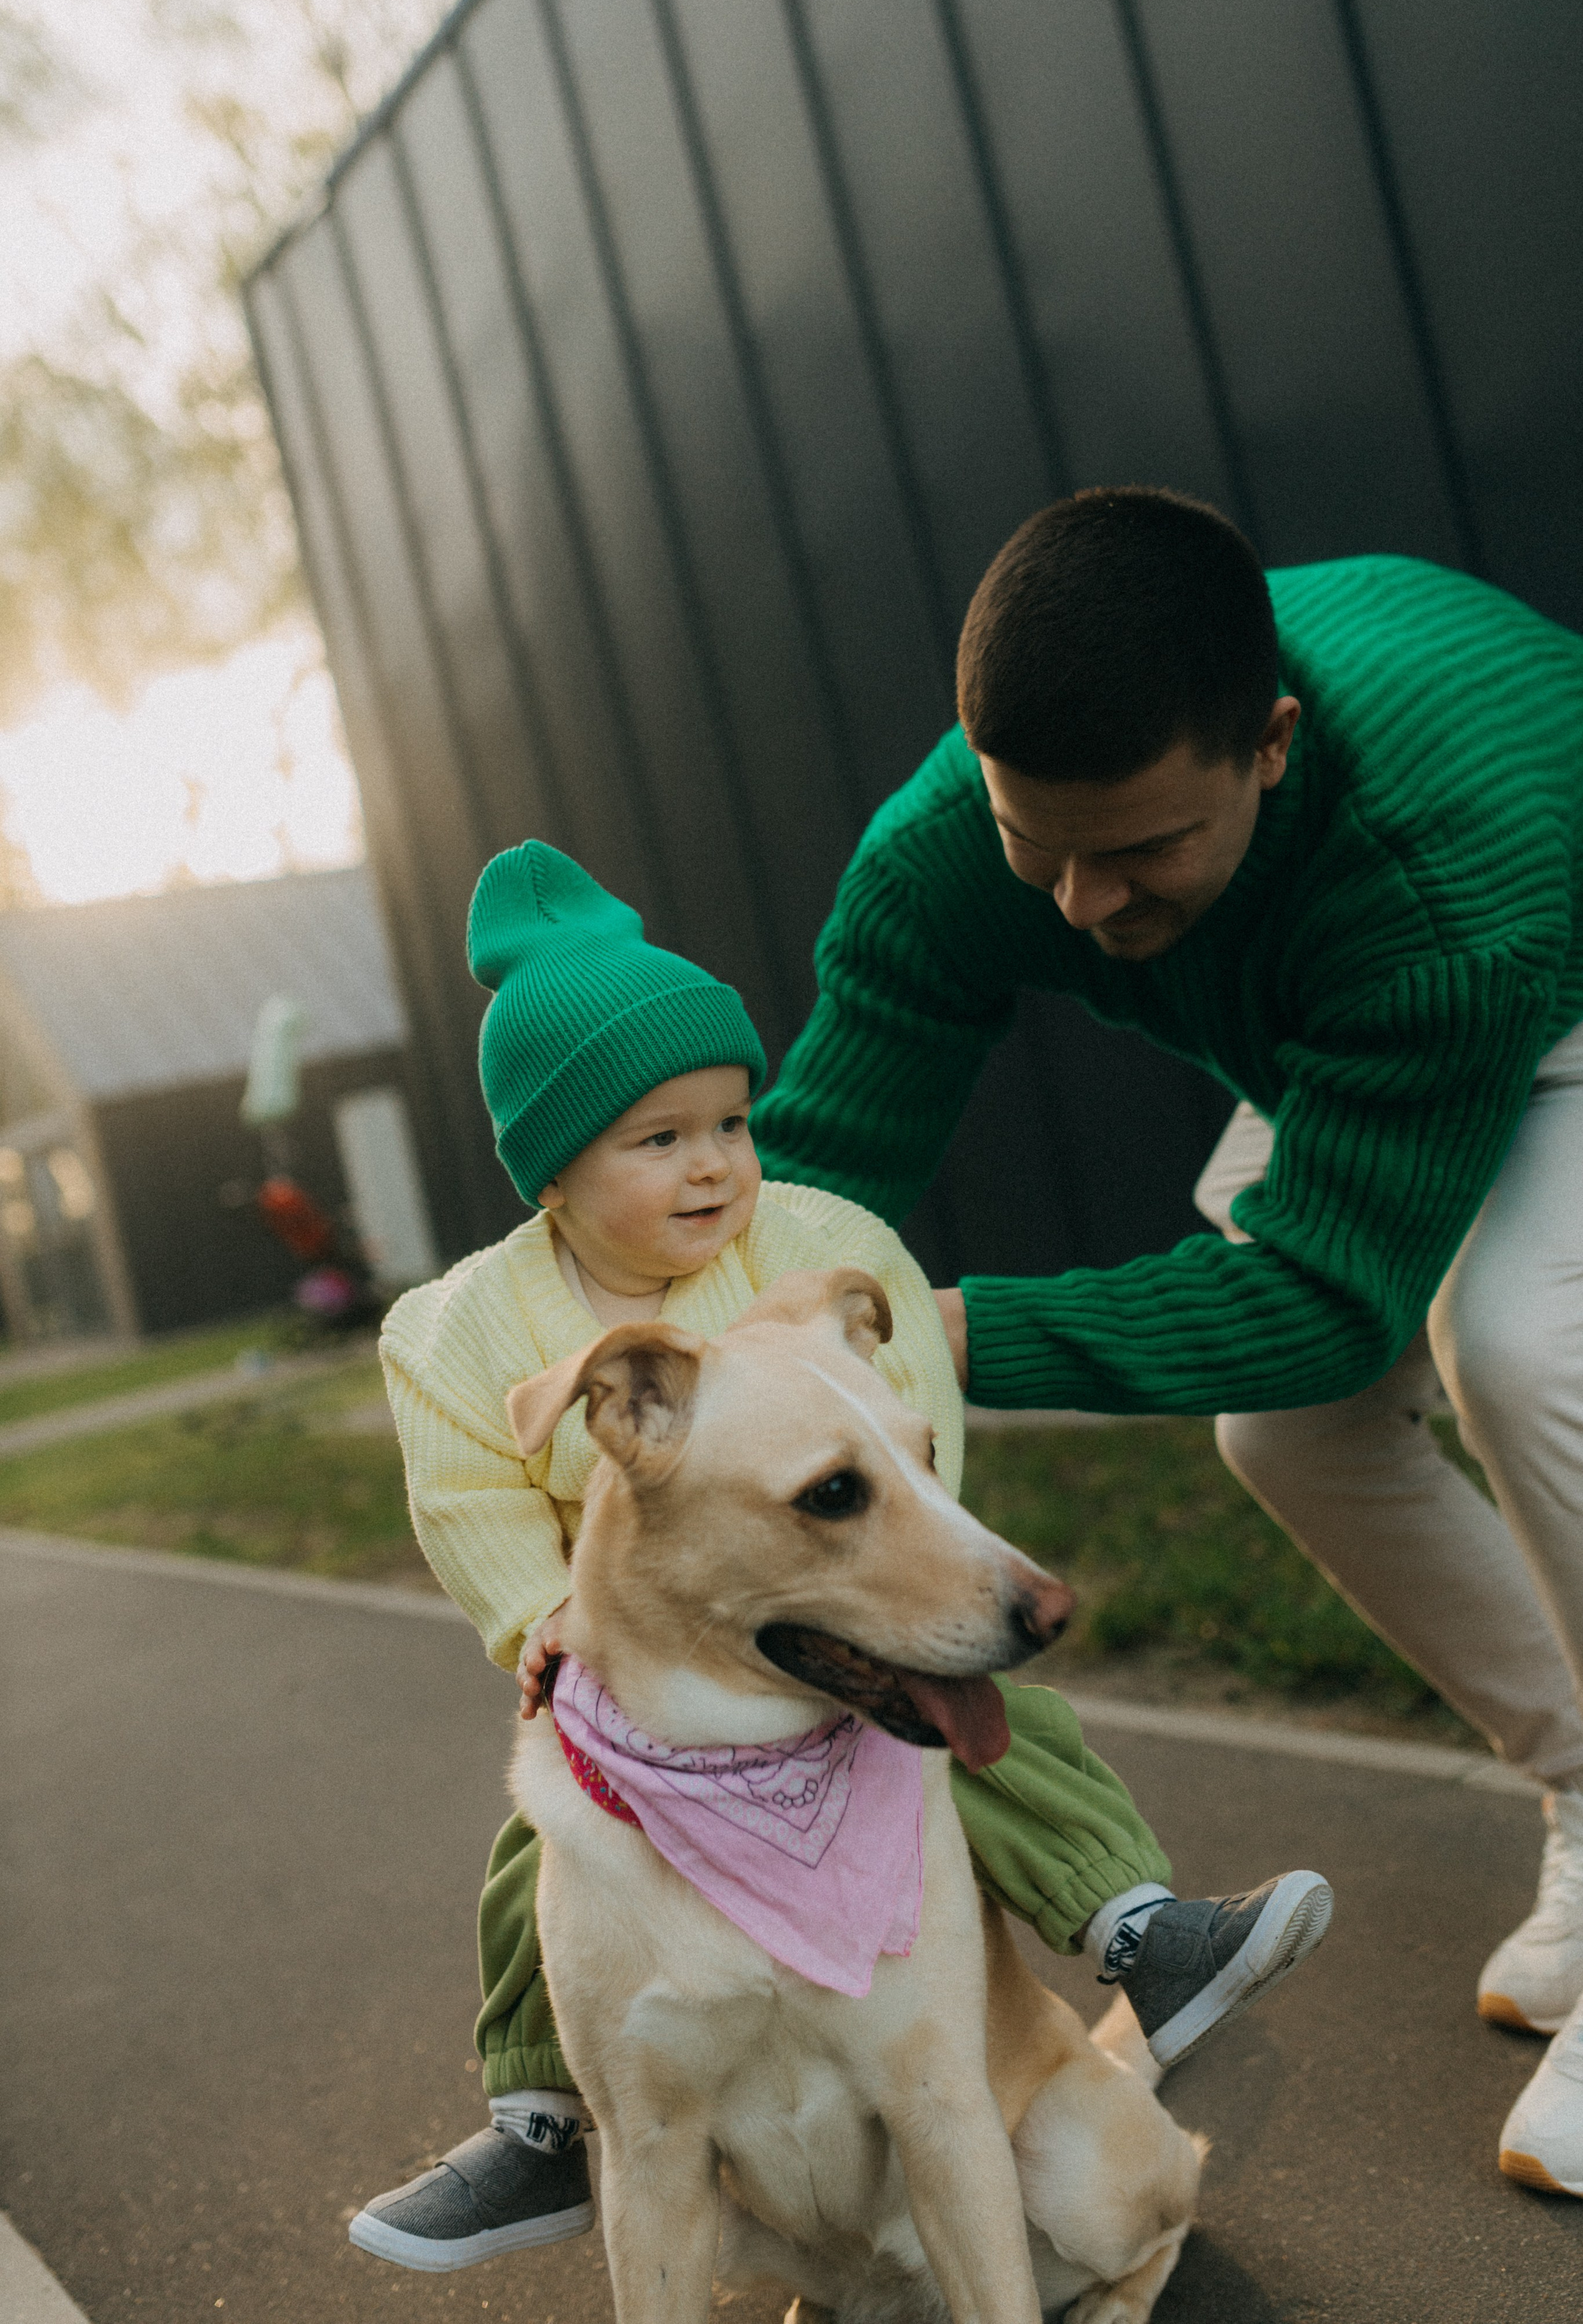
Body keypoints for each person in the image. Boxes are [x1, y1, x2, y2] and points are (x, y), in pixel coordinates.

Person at [748, 484, 1583, 2195]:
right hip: (1354, 1028)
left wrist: (946, 1334)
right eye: (1034, 842)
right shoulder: (969, 842)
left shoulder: (1434, 871)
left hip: (1537, 967)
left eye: (1140, 853)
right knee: (1291, 1431)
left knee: (1511, 1344)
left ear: (1267, 748)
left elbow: (1321, 1295)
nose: (1080, 902)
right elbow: (813, 1192)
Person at [346, 838, 1330, 2273]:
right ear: (550, 1169)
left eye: (732, 1123)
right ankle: (546, 2115)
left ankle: (1133, 1924)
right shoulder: (465, 1331)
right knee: (536, 1846)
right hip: (637, 1672)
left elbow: (907, 1430)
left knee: (997, 1738)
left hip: (828, 1645)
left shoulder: (810, 1248)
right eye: (659, 1138)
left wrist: (918, 1567)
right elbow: (465, 1496)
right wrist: (538, 1616)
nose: (715, 1165)